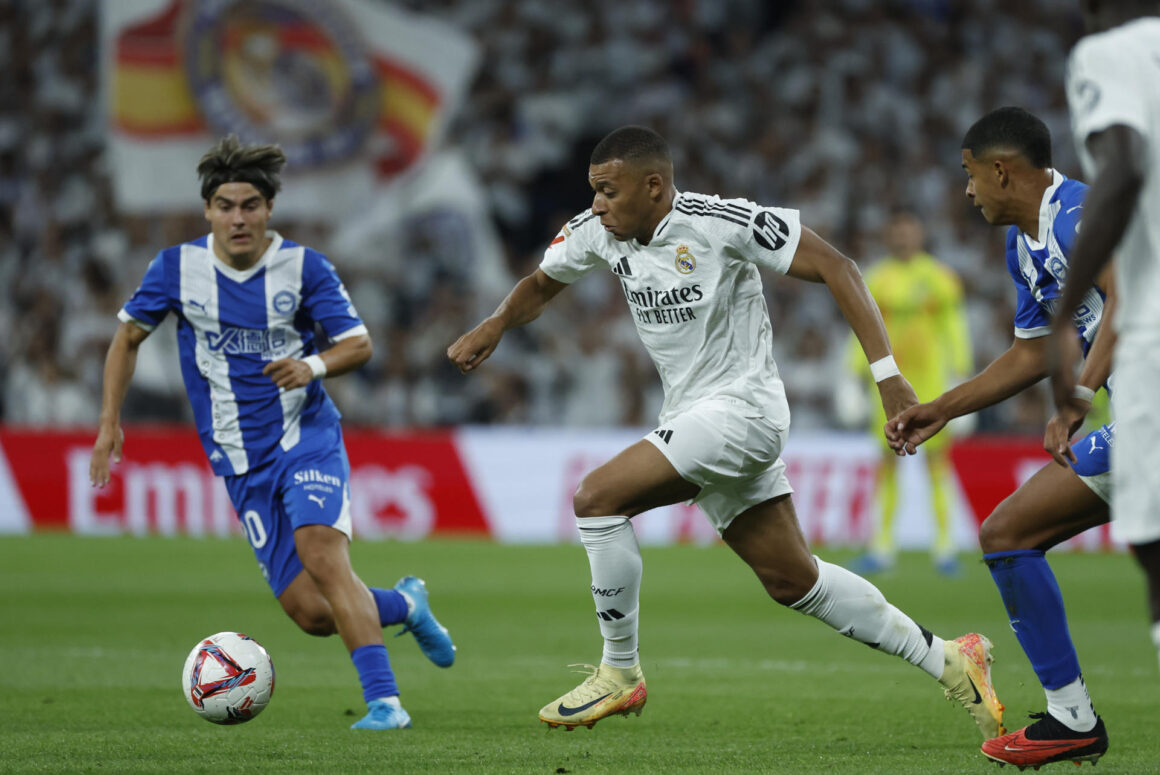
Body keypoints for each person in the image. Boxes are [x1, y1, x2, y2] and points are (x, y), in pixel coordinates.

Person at [447, 125, 1004, 740]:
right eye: (594, 191)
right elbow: (541, 284)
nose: (598, 204)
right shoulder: (596, 234)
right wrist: (496, 324)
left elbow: (838, 266)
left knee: (596, 499)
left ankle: (619, 669)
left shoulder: (722, 223)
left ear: (653, 185)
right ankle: (951, 659)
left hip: (743, 411)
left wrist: (888, 376)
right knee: (794, 580)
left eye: (609, 190)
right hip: (694, 419)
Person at [88, 135, 456, 731]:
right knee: (311, 612)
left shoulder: (304, 268)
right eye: (227, 205)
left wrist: (310, 366)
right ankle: (406, 604)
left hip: (305, 435)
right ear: (208, 209)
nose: (239, 217)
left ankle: (385, 703)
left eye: (251, 205)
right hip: (239, 459)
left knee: (323, 555)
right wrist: (109, 423)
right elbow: (127, 338)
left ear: (268, 210)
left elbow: (358, 344)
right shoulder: (176, 269)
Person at [886, 107, 1113, 769]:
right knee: (1007, 533)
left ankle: (1072, 717)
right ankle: (1071, 717)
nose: (966, 190)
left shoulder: (1082, 214)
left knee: (1007, 533)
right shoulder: (1024, 245)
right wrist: (941, 408)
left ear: (1002, 170)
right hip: (1142, 416)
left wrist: (1075, 399)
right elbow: (1027, 355)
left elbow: (1123, 303)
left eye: (969, 175)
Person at [1050, 0, 1160, 682]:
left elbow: (1122, 165)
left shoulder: (1108, 55)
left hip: (1154, 324)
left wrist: (1066, 309)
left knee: (1152, 538)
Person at [845, 210, 972, 576]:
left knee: (937, 465)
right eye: (897, 233)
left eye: (909, 232)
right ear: (889, 236)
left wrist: (959, 374)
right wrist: (853, 375)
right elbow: (863, 328)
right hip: (885, 386)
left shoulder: (940, 279)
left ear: (919, 236)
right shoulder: (876, 279)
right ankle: (881, 548)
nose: (903, 239)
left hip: (930, 385)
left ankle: (946, 548)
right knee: (886, 464)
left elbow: (955, 327)